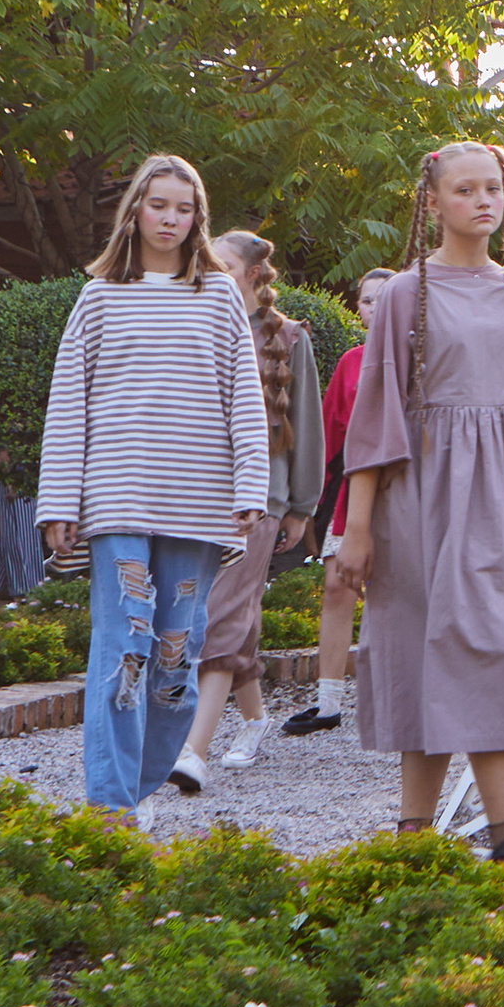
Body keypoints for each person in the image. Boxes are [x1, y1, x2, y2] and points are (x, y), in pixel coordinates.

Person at [335, 143, 504, 872]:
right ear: (434, 203)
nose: (483, 201)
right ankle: (415, 838)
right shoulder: (407, 295)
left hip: (500, 499)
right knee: (420, 648)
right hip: (417, 498)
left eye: (493, 189)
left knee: (500, 647)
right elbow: (377, 419)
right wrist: (357, 530)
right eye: (465, 190)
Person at [35, 153, 268, 833]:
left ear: (198, 218)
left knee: (175, 653)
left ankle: (132, 793)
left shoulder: (221, 294)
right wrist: (59, 503)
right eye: (158, 204)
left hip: (199, 504)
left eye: (184, 207)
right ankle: (109, 808)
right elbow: (68, 404)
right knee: (122, 643)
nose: (170, 218)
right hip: (116, 498)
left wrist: (250, 483)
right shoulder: (99, 295)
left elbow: (244, 402)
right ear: (134, 209)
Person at [169, 234, 325, 791]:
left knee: (221, 619)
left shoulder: (288, 339)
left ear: (256, 274)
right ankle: (255, 719)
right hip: (192, 499)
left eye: (224, 266)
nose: (210, 272)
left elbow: (305, 425)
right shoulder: (194, 327)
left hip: (257, 504)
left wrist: (302, 505)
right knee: (234, 614)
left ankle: (192, 750)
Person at [289, 267, 395, 738]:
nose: (374, 306)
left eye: (383, 297)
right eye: (366, 299)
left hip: (405, 491)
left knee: (400, 596)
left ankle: (399, 698)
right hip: (354, 489)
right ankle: (328, 702)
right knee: (337, 586)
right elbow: (327, 436)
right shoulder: (350, 362)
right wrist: (305, 497)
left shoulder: (419, 359)